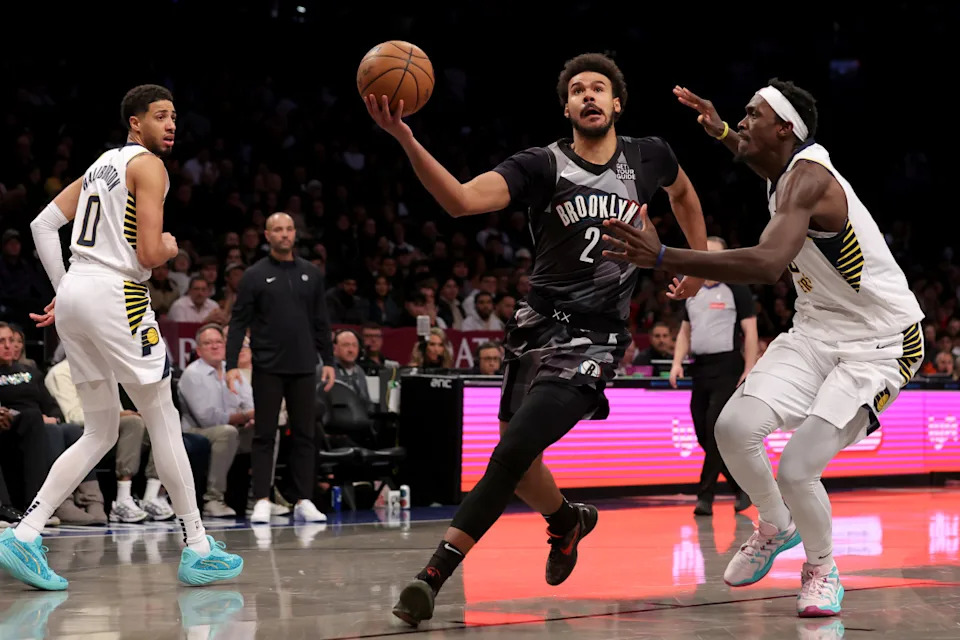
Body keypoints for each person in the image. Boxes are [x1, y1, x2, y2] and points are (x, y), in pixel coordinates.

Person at [365, 52, 709, 625]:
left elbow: (686, 196)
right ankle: (568, 521)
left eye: (598, 88)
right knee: (521, 465)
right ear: (567, 108)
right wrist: (405, 136)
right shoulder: (540, 165)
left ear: (617, 103)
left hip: (596, 339)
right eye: (577, 90)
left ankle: (433, 575)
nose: (588, 95)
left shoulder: (650, 155)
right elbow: (460, 201)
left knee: (511, 451)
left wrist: (692, 264)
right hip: (535, 328)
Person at [602, 79, 924, 617]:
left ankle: (822, 568)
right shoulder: (783, 171)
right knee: (732, 428)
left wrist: (663, 256)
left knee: (797, 467)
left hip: (882, 344)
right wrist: (722, 132)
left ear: (784, 129)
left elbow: (767, 264)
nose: (742, 122)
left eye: (752, 115)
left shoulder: (809, 180)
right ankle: (776, 523)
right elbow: (754, 156)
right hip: (817, 331)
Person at [0, 84, 242, 591]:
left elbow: (43, 225)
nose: (170, 125)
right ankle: (198, 546)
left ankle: (24, 533)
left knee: (100, 431)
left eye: (174, 116)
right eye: (160, 116)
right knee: (163, 418)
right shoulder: (149, 166)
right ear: (135, 122)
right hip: (118, 295)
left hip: (78, 292)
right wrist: (171, 247)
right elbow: (150, 253)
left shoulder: (99, 166)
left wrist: (66, 290)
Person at [225, 212, 335, 525]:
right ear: (267, 235)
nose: (284, 234)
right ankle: (261, 498)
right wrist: (231, 364)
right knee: (264, 434)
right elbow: (238, 321)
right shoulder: (254, 275)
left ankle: (303, 499)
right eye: (278, 229)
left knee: (305, 434)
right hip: (268, 366)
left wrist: (328, 360)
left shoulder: (311, 273)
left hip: (304, 365)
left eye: (289, 229)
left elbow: (321, 320)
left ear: (294, 234)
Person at [668, 237, 757, 516]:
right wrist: (676, 362)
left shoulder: (736, 289)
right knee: (702, 435)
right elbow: (685, 330)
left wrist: (749, 368)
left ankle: (705, 496)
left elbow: (750, 331)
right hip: (700, 368)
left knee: (715, 431)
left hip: (728, 367)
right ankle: (741, 487)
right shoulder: (691, 288)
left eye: (715, 254)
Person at [178, 324, 252, 518]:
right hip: (196, 431)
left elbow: (249, 402)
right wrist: (246, 416)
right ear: (198, 350)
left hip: (232, 426)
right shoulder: (193, 374)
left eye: (219, 342)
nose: (215, 346)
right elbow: (206, 419)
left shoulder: (232, 371)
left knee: (266, 431)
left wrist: (251, 418)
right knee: (227, 432)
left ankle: (260, 498)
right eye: (208, 343)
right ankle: (213, 499)